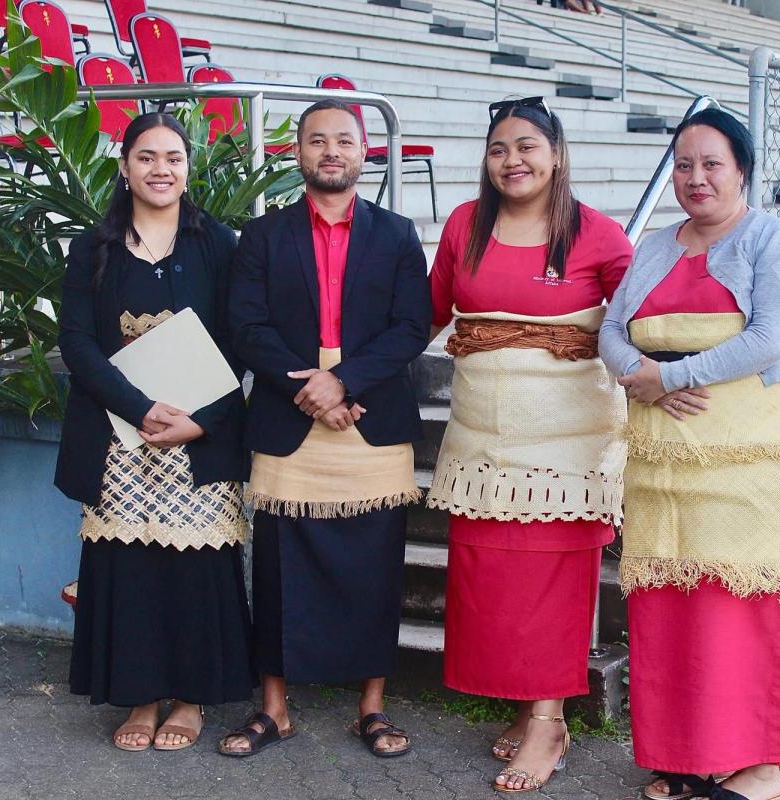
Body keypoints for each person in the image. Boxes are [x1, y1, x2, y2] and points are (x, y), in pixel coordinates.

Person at [598, 109, 780, 800]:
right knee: (673, 607)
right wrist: (638, 376)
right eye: (683, 165)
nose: (695, 178)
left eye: (711, 163)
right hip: (666, 467)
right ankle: (685, 756)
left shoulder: (773, 240)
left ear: (742, 168)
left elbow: (770, 336)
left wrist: (669, 377)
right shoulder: (654, 246)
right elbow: (612, 331)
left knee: (741, 606)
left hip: (751, 464)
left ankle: (759, 767)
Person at [427, 96, 632, 794]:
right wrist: (348, 372)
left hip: (568, 447)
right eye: (498, 148)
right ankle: (528, 707)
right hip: (481, 438)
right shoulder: (465, 225)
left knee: (549, 585)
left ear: (557, 155)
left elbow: (638, 321)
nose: (512, 159)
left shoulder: (598, 236)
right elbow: (427, 312)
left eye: (527, 146)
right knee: (493, 583)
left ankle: (548, 721)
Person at [221, 99, 431, 760]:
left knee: (374, 566)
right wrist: (307, 387)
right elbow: (246, 324)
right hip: (290, 415)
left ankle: (371, 706)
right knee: (282, 565)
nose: (331, 150)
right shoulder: (262, 236)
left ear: (365, 151)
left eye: (344, 139)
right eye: (317, 140)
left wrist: (346, 382)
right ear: (298, 153)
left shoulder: (397, 234)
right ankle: (274, 708)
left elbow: (410, 326)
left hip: (369, 418)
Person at [58, 112, 253, 752]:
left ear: (188, 168)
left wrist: (203, 420)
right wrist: (138, 408)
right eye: (146, 157)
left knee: (194, 573)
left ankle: (191, 700)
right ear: (124, 167)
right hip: (119, 437)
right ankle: (141, 698)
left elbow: (240, 342)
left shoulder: (220, 245)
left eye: (173, 157)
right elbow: (77, 344)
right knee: (131, 570)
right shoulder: (93, 249)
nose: (160, 169)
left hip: (199, 440)